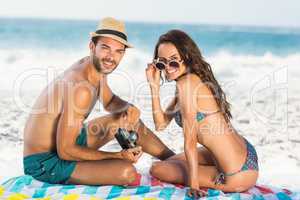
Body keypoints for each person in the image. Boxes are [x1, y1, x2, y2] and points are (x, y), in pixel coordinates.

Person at [23, 17, 174, 185]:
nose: (111, 57)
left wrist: (129, 108)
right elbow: (65, 151)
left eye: (118, 51)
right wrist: (116, 156)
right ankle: (172, 163)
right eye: (106, 48)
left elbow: (109, 101)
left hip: (68, 140)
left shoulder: (94, 67)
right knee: (127, 172)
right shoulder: (81, 88)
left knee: (128, 118)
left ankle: (175, 160)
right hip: (45, 163)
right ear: (92, 46)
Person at [146, 29, 258, 197]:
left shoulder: (187, 84)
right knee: (170, 162)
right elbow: (161, 124)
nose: (168, 69)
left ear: (187, 57)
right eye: (162, 63)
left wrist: (194, 184)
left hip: (236, 175)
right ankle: (205, 168)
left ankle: (205, 171)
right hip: (246, 154)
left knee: (157, 169)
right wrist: (154, 87)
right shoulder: (191, 79)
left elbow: (190, 141)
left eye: (174, 62)